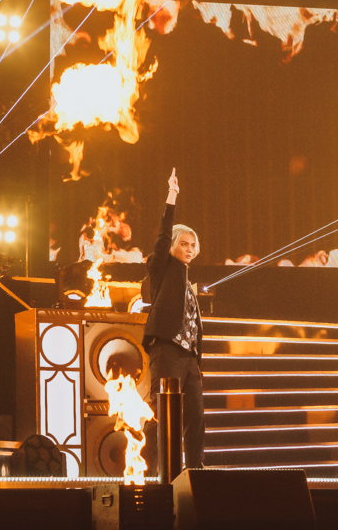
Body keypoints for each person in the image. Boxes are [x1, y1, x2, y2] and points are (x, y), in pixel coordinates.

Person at [142, 168, 205, 469]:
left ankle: (195, 471)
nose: (189, 249)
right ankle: (154, 471)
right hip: (167, 349)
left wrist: (196, 357)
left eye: (193, 245)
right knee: (163, 413)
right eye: (184, 243)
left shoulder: (187, 283)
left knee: (196, 417)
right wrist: (172, 195)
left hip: (189, 357)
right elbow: (163, 233)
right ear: (171, 246)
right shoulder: (162, 268)